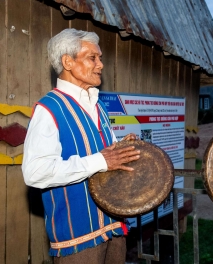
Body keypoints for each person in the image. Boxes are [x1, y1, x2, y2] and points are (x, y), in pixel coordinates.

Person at [22, 28, 141, 264]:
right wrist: (101, 161)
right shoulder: (49, 109)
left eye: (100, 58)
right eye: (92, 57)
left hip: (113, 227)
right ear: (68, 62)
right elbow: (35, 173)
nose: (100, 65)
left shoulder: (98, 106)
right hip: (78, 240)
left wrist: (120, 148)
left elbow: (102, 152)